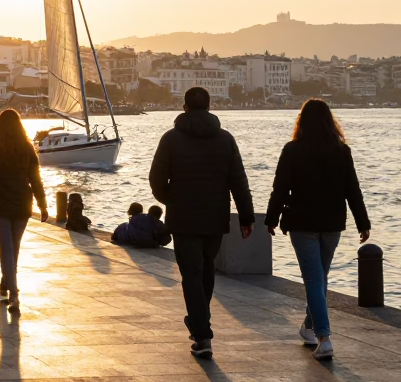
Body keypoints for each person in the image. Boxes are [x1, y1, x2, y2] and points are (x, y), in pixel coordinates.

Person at [149, 86, 255, 359]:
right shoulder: (225, 139)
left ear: (184, 107)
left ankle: (201, 333)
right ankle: (200, 323)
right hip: (214, 216)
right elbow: (238, 181)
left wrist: (169, 198)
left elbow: (156, 179)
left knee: (192, 275)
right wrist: (246, 217)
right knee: (206, 271)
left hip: (183, 218)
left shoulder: (170, 139)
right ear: (209, 107)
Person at [266, 98, 371, 361]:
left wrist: (271, 218)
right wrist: (363, 223)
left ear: (301, 122)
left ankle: (324, 339)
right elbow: (352, 190)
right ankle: (308, 328)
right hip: (332, 224)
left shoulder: (292, 150)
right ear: (329, 122)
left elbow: (280, 188)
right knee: (320, 278)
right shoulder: (341, 151)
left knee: (315, 279)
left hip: (302, 224)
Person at [0, 108, 48, 316]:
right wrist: (42, 205)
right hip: (22, 204)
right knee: (13, 248)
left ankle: (13, 293)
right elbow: (36, 179)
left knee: (6, 249)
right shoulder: (27, 148)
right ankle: (7, 284)